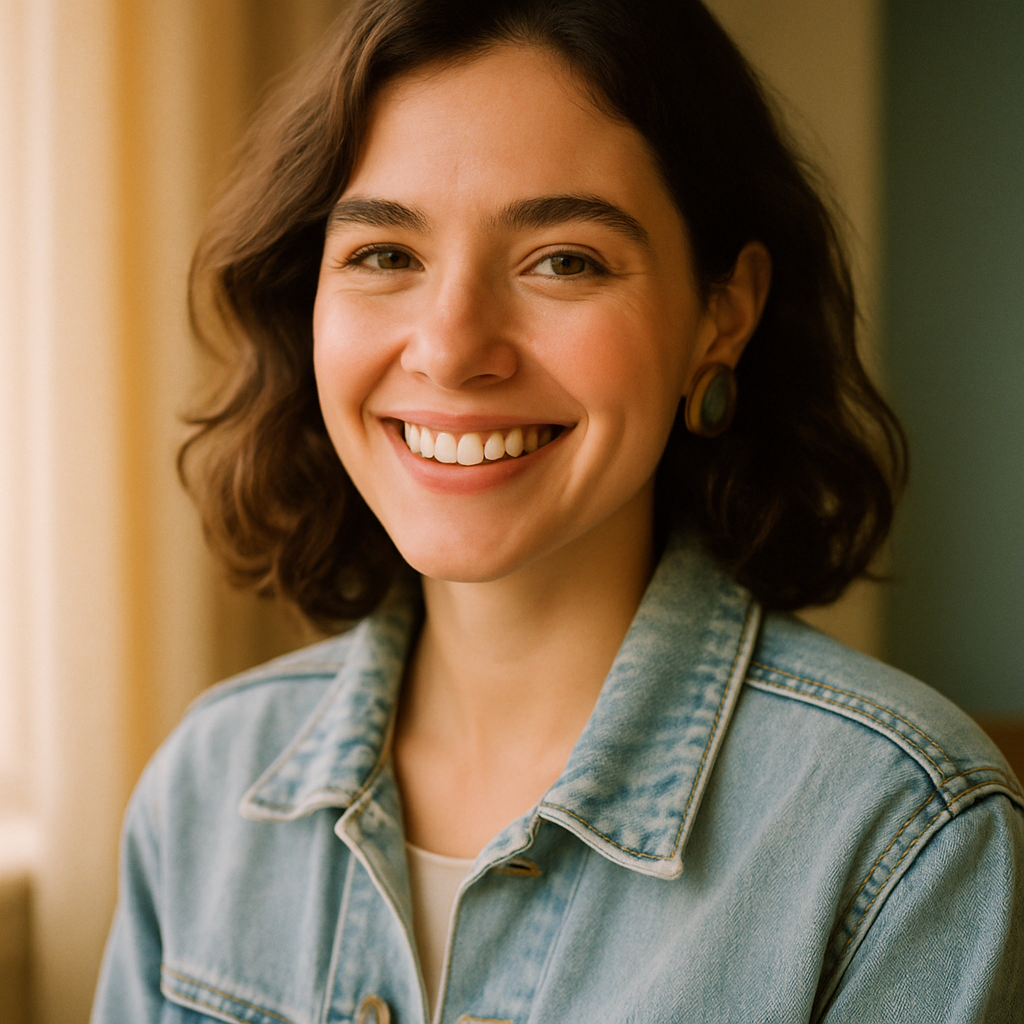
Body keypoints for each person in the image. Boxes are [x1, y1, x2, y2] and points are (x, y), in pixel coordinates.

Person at [92, 1, 1024, 1021]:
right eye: (385, 256)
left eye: (563, 260)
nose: (450, 349)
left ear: (723, 311)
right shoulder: (206, 784)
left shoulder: (907, 833)